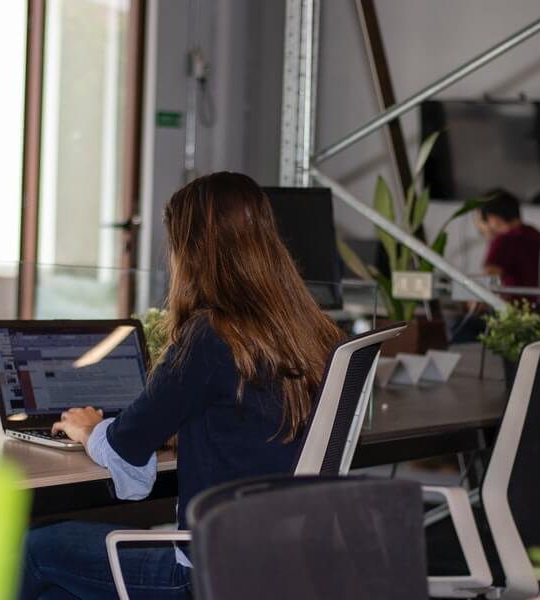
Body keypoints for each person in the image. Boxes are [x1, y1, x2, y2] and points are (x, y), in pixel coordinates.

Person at [19, 172, 344, 599]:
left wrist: (88, 428)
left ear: (190, 254)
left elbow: (126, 449)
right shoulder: (309, 331)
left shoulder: (211, 336)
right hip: (280, 567)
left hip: (205, 574)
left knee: (35, 550)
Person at [475, 189, 540, 289]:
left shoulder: (503, 241)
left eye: (479, 220)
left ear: (492, 219)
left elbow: (485, 289)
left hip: (517, 304)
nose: (479, 227)